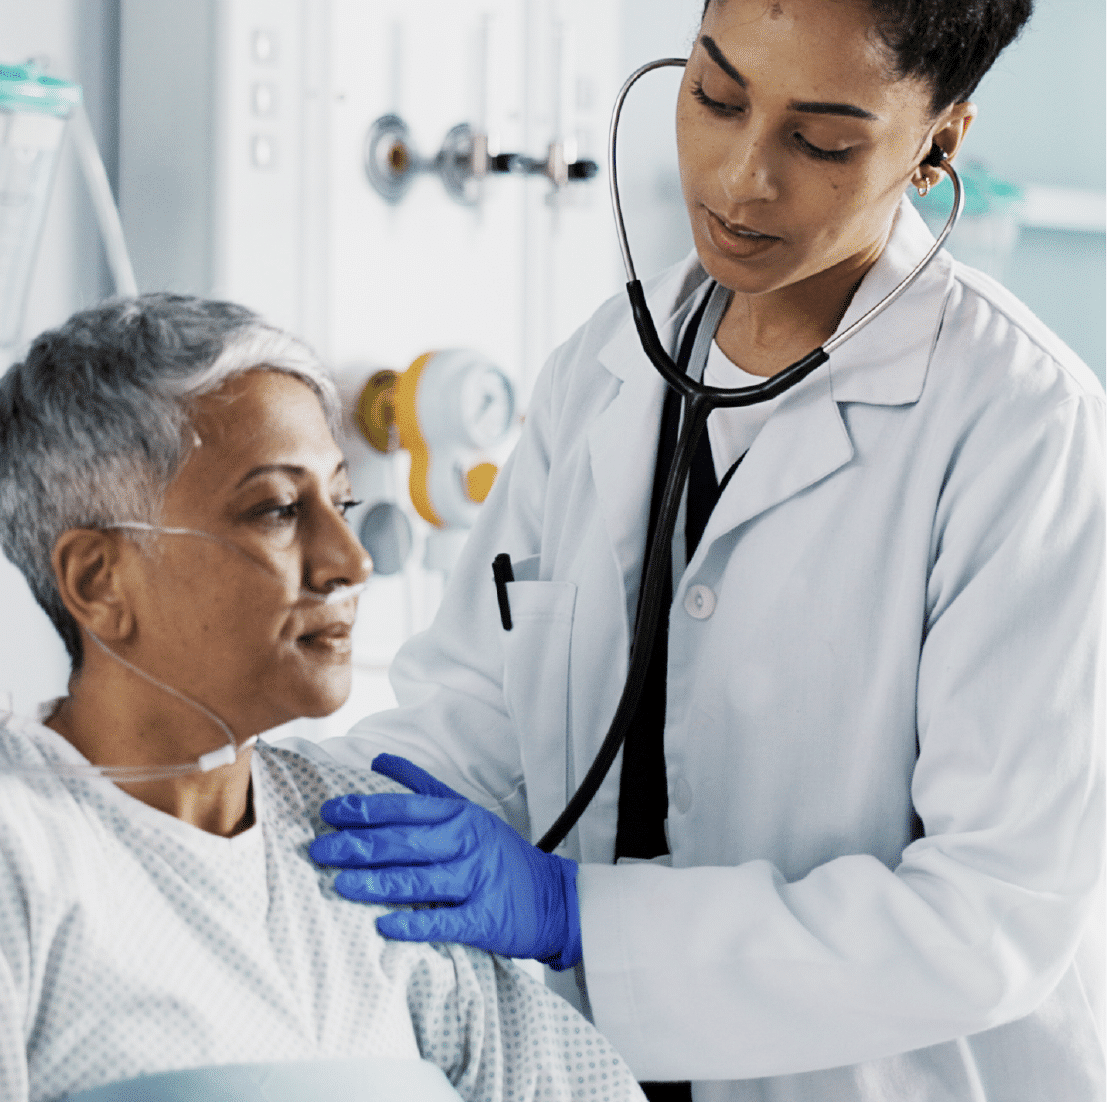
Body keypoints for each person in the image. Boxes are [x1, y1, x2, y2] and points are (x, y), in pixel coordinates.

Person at [308, 1, 1106, 1099]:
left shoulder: (1024, 428)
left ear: (940, 142)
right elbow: (473, 722)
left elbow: (991, 917)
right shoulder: (604, 367)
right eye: (716, 96)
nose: (739, 181)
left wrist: (575, 915)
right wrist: (271, 812)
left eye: (821, 141)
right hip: (589, 1070)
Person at [0, 294, 645, 1102]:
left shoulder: (363, 851)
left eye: (340, 504)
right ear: (100, 580)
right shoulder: (25, 855)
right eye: (276, 509)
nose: (350, 561)